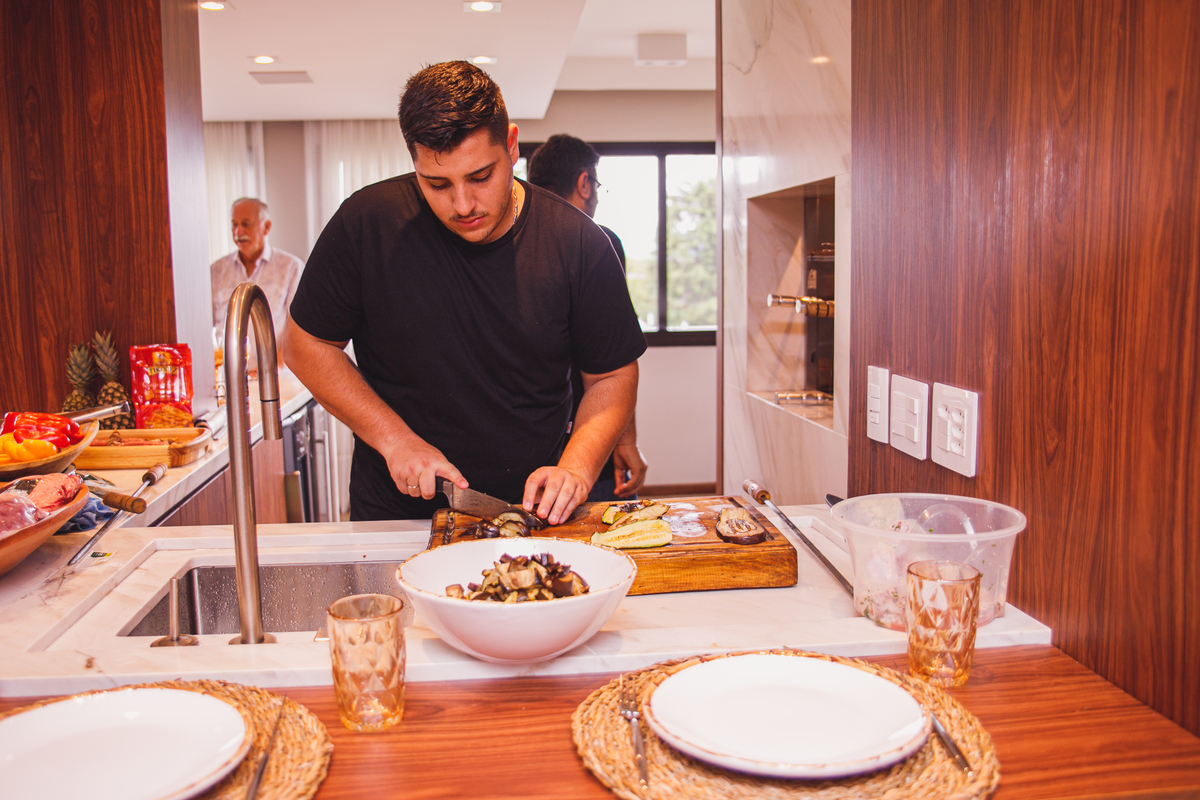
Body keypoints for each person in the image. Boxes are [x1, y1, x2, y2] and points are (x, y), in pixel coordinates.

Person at [282, 61, 646, 525]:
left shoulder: (578, 243)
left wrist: (575, 468)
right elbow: (304, 343)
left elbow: (612, 377)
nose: (462, 205)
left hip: (532, 514)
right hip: (397, 514)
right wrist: (394, 440)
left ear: (511, 146)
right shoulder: (366, 224)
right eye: (437, 183)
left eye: (480, 176)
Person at [527, 134, 648, 501]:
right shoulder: (598, 241)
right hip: (586, 437)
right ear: (584, 183)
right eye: (595, 185)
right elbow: (609, 358)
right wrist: (625, 438)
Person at [210, 198, 304, 367]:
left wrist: (274, 370)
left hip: (276, 377)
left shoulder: (290, 267)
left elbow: (296, 330)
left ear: (266, 227)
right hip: (227, 376)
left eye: (246, 224)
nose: (238, 231)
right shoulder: (217, 270)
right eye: (234, 224)